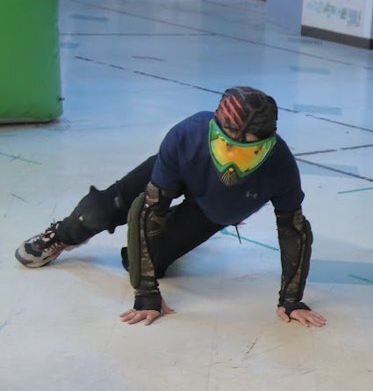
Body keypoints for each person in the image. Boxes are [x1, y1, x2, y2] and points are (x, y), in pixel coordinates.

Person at [15, 86, 326, 328]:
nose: (235, 153)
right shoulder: (186, 135)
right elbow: (150, 208)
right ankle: (62, 234)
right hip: (183, 169)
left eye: (248, 145)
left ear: (268, 139)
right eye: (230, 140)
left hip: (214, 206)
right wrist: (146, 292)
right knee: (98, 212)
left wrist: (291, 300)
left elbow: (293, 229)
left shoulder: (280, 164)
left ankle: (183, 225)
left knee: (142, 260)